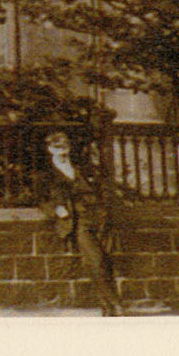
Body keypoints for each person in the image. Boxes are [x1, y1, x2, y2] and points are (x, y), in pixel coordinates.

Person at [46, 130, 122, 315]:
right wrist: (56, 209)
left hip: (98, 216)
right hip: (78, 220)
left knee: (106, 260)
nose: (62, 152)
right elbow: (41, 199)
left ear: (69, 148)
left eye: (65, 147)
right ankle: (116, 304)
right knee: (95, 261)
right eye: (57, 148)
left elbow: (100, 186)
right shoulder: (47, 174)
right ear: (50, 150)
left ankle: (107, 308)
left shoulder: (80, 167)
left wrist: (105, 209)